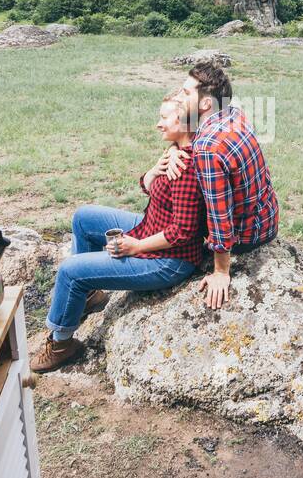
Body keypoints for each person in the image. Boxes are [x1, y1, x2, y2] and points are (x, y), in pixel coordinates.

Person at [30, 94, 206, 373]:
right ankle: (89, 296)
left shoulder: (186, 166)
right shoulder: (177, 148)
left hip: (169, 259)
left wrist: (136, 247)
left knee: (70, 271)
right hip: (152, 225)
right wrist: (150, 175)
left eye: (164, 118)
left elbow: (183, 232)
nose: (157, 124)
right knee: (84, 217)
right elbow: (161, 193)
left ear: (185, 121)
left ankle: (62, 343)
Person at [163, 59, 279, 310]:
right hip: (266, 218)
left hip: (246, 235)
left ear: (205, 103)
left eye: (185, 93)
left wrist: (221, 271)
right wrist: (175, 148)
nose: (179, 98)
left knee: (179, 203)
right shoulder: (232, 111)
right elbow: (194, 130)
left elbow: (219, 213)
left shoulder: (207, 148)